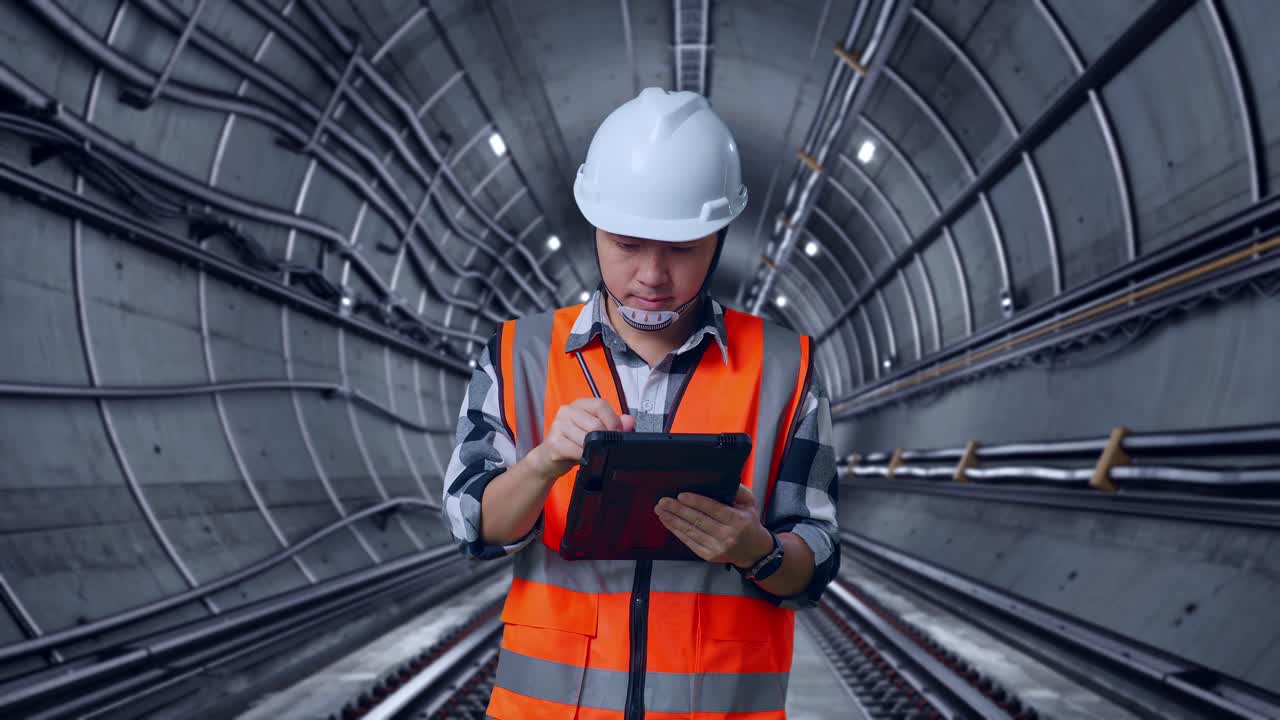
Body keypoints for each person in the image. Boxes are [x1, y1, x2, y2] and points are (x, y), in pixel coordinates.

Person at [442, 87, 839, 720]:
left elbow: (814, 560)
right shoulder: (520, 354)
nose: (652, 275)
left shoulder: (785, 366)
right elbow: (474, 527)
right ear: (594, 227)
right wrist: (543, 462)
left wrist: (755, 549)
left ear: (718, 238)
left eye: (681, 249)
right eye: (627, 244)